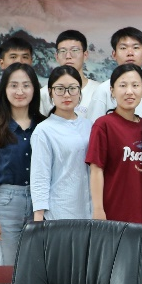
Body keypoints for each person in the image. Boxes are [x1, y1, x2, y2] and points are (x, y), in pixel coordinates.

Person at [0, 62, 44, 266]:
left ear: (34, 89)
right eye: (13, 85)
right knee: (7, 268)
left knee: (38, 267)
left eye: (26, 85)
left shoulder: (44, 125)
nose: (20, 91)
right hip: (6, 202)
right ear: (4, 89)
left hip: (40, 202)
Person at [86, 64, 142, 227]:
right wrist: (98, 209)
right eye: (123, 85)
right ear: (112, 90)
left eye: (135, 85)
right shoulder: (103, 125)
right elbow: (96, 170)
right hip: (114, 217)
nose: (129, 91)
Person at [29, 65, 94, 222]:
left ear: (80, 91)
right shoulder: (43, 130)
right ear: (50, 92)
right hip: (59, 212)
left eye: (72, 88)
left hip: (90, 211)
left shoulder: (89, 126)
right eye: (60, 89)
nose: (66, 94)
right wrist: (38, 217)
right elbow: (39, 177)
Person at [41, 30, 104, 120]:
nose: (68, 56)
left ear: (85, 55)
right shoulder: (44, 93)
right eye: (63, 51)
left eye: (74, 50)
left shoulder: (99, 90)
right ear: (56, 56)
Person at [96, 27, 142, 117]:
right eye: (123, 48)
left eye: (135, 47)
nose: (130, 53)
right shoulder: (103, 90)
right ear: (114, 54)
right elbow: (95, 123)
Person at [0, 36, 34, 115]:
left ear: (31, 62)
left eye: (25, 57)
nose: (19, 61)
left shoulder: (41, 99)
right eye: (13, 57)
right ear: (1, 63)